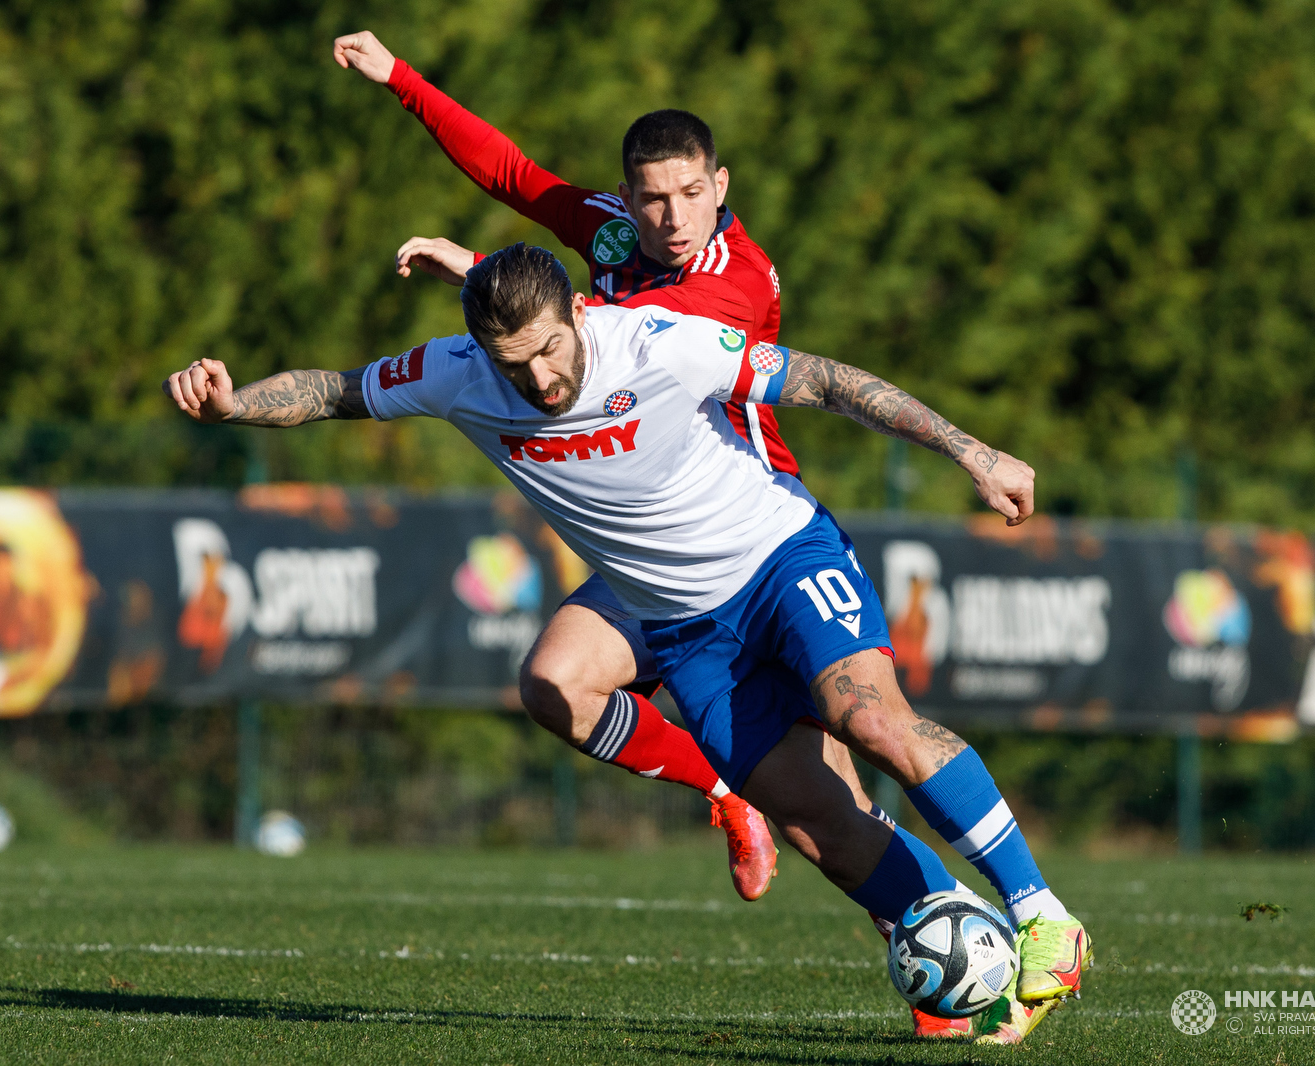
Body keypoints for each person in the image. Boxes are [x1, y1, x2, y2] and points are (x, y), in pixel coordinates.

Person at [164, 244, 1093, 1044]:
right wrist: (235, 403)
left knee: (873, 721)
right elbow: (334, 391)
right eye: (508, 362)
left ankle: (1045, 916)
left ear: (579, 311)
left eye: (547, 350)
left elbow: (827, 381)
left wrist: (974, 452)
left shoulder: (658, 340)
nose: (534, 380)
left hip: (778, 556)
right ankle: (950, 955)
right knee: (827, 834)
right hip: (684, 631)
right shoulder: (456, 372)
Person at [330, 29, 885, 906]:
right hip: (643, 546)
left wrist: (479, 275)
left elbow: (629, 344)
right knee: (555, 683)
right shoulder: (620, 234)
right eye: (652, 197)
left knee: (832, 813)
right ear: (628, 194)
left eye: (689, 195)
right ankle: (720, 788)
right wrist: (401, 78)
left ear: (719, 189)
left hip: (745, 531)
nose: (670, 217)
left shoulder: (732, 283)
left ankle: (928, 940)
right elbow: (515, 176)